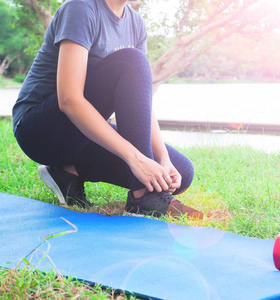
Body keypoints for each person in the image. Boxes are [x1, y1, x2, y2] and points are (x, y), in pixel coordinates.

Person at [12, 0, 203, 219]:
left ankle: (66, 173)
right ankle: (142, 196)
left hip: (81, 134)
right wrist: (135, 158)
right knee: (132, 61)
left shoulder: (135, 23)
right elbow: (69, 99)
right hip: (39, 129)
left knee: (180, 173)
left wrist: (162, 158)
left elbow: (141, 104)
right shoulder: (81, 8)